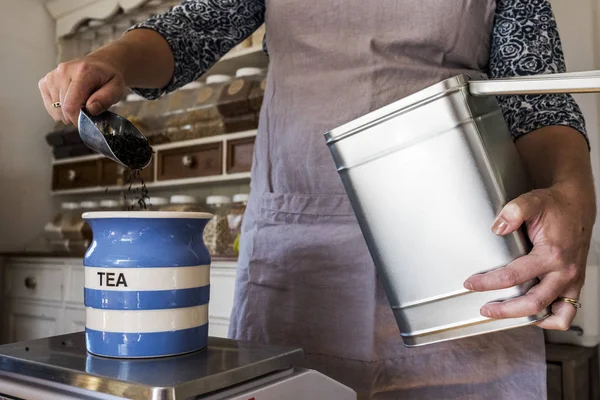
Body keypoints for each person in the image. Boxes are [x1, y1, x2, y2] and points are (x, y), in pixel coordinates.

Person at [39, 0, 596, 398]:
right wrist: (113, 59)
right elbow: (191, 30)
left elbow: (537, 99)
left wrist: (573, 198)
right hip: (300, 243)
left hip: (460, 250)